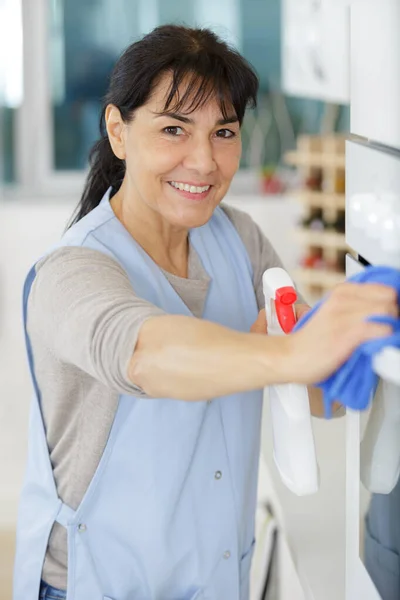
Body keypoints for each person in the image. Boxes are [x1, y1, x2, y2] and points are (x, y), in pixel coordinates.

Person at [13, 25, 397, 600]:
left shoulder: (241, 241)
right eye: (173, 129)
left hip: (216, 575)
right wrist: (290, 352)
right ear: (118, 131)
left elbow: (315, 390)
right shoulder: (71, 272)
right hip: (101, 584)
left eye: (224, 132)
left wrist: (354, 352)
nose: (203, 161)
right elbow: (145, 355)